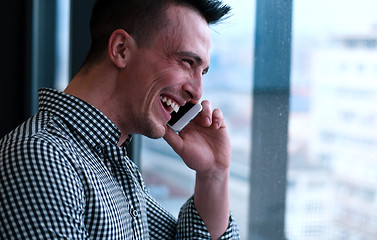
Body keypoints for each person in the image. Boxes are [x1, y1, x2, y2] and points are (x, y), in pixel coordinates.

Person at [0, 0, 240, 239]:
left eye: (203, 72)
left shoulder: (112, 164)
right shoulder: (41, 156)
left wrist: (214, 174)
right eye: (187, 62)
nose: (197, 92)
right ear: (121, 49)